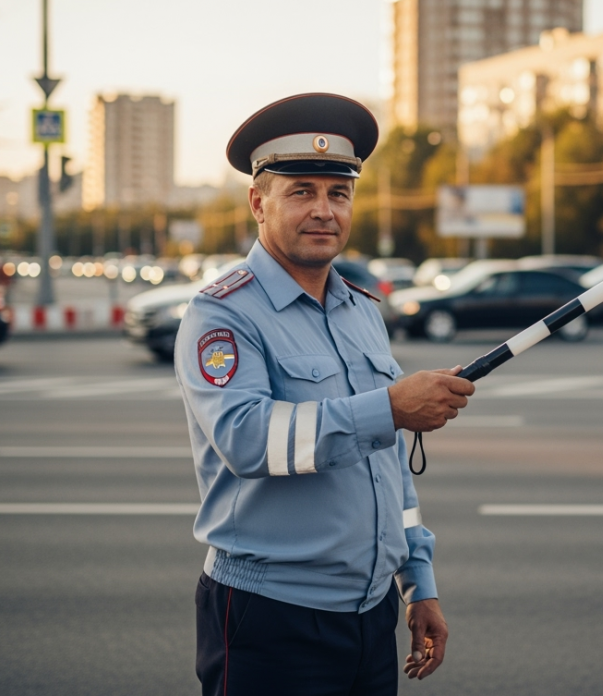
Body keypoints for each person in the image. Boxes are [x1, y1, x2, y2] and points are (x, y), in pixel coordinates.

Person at [176, 93, 474, 696]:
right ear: (258, 203)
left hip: (371, 614)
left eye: (339, 193)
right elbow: (248, 440)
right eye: (301, 192)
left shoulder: (361, 310)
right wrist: (391, 407)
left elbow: (389, 467)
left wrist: (418, 582)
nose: (323, 210)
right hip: (270, 616)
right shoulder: (223, 314)